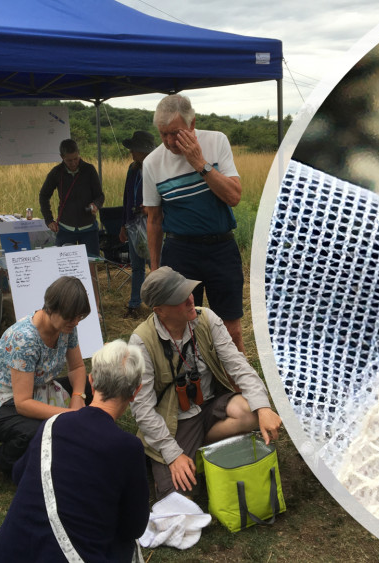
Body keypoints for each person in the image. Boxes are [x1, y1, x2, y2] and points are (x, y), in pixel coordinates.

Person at [0, 340, 149, 563]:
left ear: (91, 381)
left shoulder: (52, 424)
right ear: (135, 392)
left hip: (11, 552)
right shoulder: (129, 448)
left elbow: (21, 473)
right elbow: (134, 527)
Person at [129, 266, 282, 499]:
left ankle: (198, 447)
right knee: (179, 498)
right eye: (180, 298)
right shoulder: (141, 342)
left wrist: (263, 407)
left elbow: (238, 365)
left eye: (188, 291)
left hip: (211, 405)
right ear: (160, 310)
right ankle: (182, 453)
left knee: (250, 413)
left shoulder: (207, 319)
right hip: (175, 420)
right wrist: (173, 454)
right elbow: (142, 409)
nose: (190, 299)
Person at [0, 276, 92, 479]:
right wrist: (69, 415)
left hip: (30, 390)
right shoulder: (25, 339)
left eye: (79, 317)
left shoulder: (66, 327)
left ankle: (82, 438)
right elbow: (23, 404)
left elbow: (76, 367)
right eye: (71, 318)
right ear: (52, 308)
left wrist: (78, 396)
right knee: (34, 431)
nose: (75, 322)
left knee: (94, 385)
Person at [143, 94, 247, 352]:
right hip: (180, 252)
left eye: (175, 133)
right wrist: (155, 269)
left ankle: (240, 387)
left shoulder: (216, 141)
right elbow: (154, 220)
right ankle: (196, 389)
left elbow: (233, 196)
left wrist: (200, 163)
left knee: (231, 331)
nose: (169, 141)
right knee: (182, 331)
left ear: (192, 125)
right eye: (162, 134)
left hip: (221, 248)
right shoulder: (152, 163)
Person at [39, 139, 104, 257]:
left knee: (92, 264)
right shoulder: (56, 172)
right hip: (65, 228)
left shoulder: (89, 169)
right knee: (64, 265)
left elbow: (100, 196)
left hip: (89, 228)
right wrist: (49, 220)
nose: (74, 163)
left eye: (76, 158)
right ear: (62, 157)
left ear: (79, 153)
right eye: (69, 161)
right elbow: (43, 195)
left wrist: (95, 205)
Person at [119, 130, 156, 318]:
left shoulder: (157, 169)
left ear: (144, 151)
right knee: (137, 266)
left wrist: (150, 207)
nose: (131, 152)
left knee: (155, 266)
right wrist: (123, 225)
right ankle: (134, 304)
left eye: (134, 149)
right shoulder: (132, 168)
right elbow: (127, 197)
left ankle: (159, 305)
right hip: (133, 223)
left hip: (151, 223)